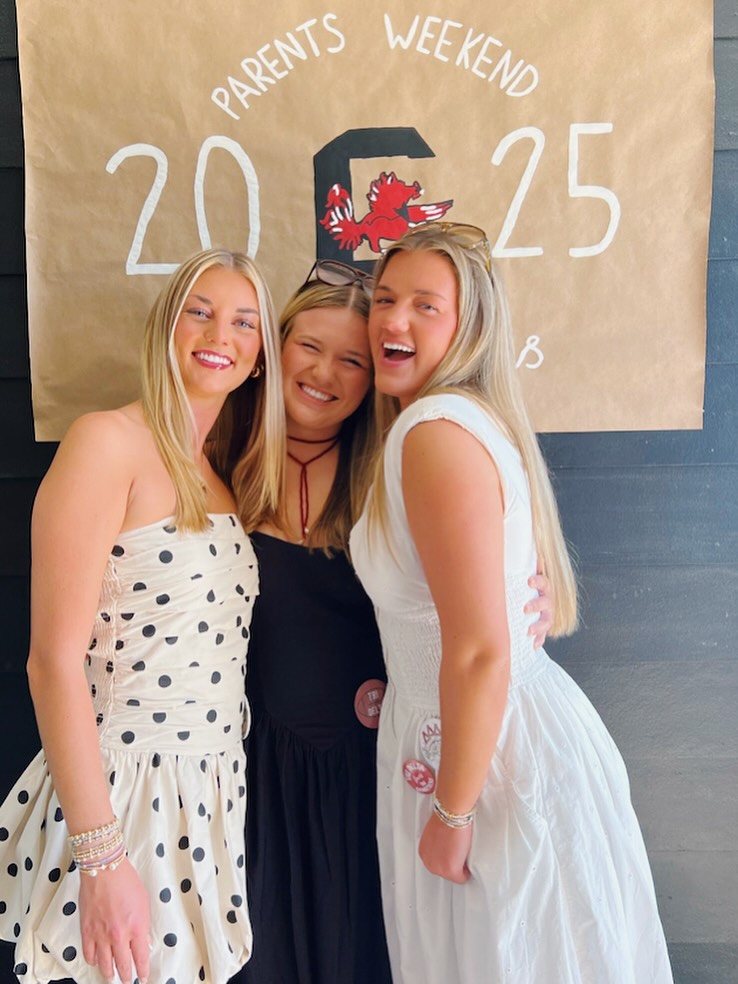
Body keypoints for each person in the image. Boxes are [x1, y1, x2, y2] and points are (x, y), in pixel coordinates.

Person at [349, 223, 674, 984]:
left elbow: (477, 650)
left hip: (481, 763)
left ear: (469, 326)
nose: (393, 319)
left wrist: (453, 814)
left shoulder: (433, 433)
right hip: (478, 738)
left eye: (425, 305)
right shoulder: (452, 425)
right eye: (385, 299)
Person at [228, 260, 554, 984]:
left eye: (353, 360)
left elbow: (476, 582)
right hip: (252, 776)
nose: (326, 373)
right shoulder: (220, 461)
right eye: (309, 347)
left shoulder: (389, 471)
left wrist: (533, 597)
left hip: (371, 770)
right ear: (274, 349)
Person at [0, 248, 285, 984]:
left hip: (208, 793)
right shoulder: (107, 442)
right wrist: (102, 857)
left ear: (261, 355)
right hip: (122, 796)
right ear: (167, 326)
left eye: (244, 322)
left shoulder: (221, 475)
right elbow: (52, 662)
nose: (219, 334)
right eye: (200, 312)